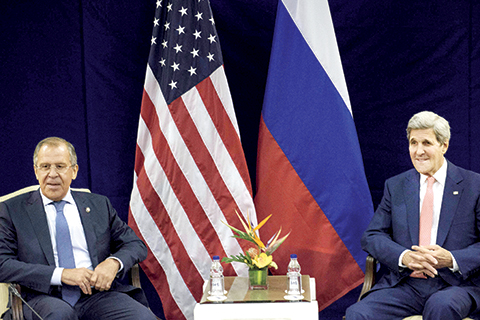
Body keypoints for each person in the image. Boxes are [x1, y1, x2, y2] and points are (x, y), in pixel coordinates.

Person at [0, 137, 157, 320]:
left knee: (142, 317)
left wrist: (113, 263)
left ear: (74, 171)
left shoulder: (99, 205)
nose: (52, 174)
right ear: (36, 171)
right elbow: (2, 264)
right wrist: (62, 274)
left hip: (96, 295)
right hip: (43, 297)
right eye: (45, 166)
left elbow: (135, 244)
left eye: (60, 166)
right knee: (60, 315)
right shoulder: (13, 210)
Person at [346, 111, 480, 320]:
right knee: (358, 313)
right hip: (407, 284)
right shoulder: (396, 185)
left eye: (426, 143)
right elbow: (372, 236)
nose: (418, 151)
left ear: (444, 145)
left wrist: (451, 259)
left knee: (440, 306)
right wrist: (404, 257)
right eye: (413, 143)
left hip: (456, 285)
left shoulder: (474, 185)